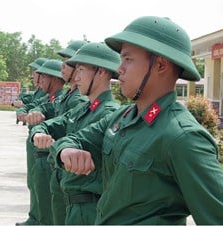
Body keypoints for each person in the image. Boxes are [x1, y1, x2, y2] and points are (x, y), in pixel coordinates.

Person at [51, 16, 223, 224]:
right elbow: (74, 140)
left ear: (160, 65)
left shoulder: (183, 137)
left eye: (128, 59)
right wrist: (66, 151)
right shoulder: (121, 118)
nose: (119, 68)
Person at [31, 42, 121, 225]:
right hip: (71, 201)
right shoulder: (82, 110)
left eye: (81, 70)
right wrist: (38, 132)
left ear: (101, 72)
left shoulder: (109, 113)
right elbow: (50, 125)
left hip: (90, 207)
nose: (76, 77)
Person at [25, 40, 87, 225]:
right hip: (54, 161)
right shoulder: (69, 97)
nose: (63, 66)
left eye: (68, 61)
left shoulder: (79, 101)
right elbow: (51, 113)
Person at [16, 59, 65, 225]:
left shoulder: (69, 99)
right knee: (37, 190)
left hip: (50, 156)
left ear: (55, 78)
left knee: (48, 203)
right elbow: (37, 106)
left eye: (44, 77)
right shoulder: (53, 98)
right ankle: (34, 218)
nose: (39, 80)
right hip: (42, 153)